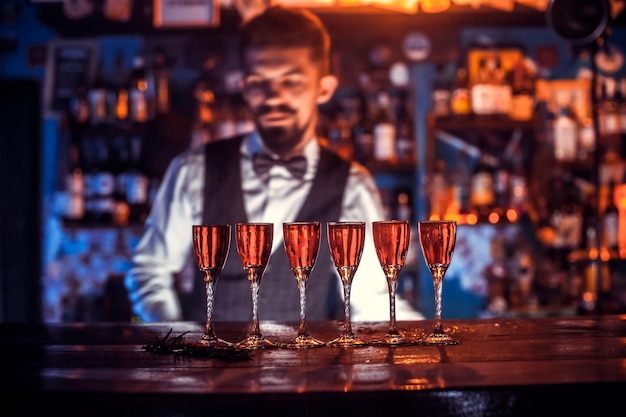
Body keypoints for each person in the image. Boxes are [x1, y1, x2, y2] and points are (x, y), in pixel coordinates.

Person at [125, 5, 423, 323]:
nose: (272, 97)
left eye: (291, 82)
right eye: (258, 82)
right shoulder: (193, 170)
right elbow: (149, 272)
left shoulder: (352, 186)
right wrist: (180, 341)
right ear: (244, 87)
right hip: (208, 367)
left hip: (306, 371)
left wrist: (435, 348)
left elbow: (371, 304)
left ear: (323, 88)